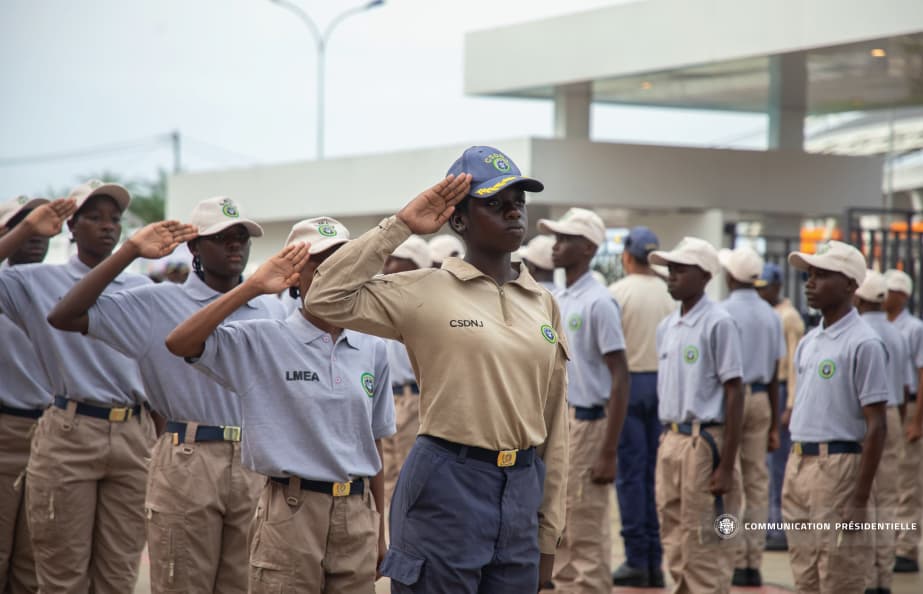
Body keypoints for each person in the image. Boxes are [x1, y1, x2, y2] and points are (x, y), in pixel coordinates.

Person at [306, 146, 569, 593]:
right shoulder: (422, 290)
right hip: (449, 481)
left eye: (518, 201)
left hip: (522, 486)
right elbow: (324, 296)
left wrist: (548, 535)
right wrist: (402, 225)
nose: (512, 211)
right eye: (494, 202)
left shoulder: (542, 302)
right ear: (459, 219)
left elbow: (554, 423)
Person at [47, 196, 287, 593]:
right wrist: (129, 251)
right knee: (182, 581)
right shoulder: (158, 302)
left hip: (254, 459)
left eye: (241, 237)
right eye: (221, 237)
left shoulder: (269, 307)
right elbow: (64, 315)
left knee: (245, 584)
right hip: (188, 455)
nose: (235, 245)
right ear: (193, 247)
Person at [165, 217, 394, 593]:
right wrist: (253, 286)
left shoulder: (373, 347)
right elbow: (180, 343)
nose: (334, 273)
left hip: (356, 514)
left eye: (343, 261)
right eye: (320, 263)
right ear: (294, 275)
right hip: (291, 510)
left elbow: (376, 443)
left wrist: (380, 532)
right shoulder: (263, 339)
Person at [0, 181, 154, 594]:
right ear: (71, 225)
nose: (108, 227)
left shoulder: (141, 289)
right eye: (94, 217)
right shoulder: (35, 280)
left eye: (115, 220)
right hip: (71, 429)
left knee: (118, 575)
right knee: (61, 573)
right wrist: (27, 227)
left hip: (133, 434)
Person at [783, 241, 888, 593]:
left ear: (849, 285)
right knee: (805, 573)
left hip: (839, 466)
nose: (810, 283)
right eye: (809, 275)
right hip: (800, 463)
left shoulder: (863, 343)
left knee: (839, 573)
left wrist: (859, 499)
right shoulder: (810, 341)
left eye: (822, 275)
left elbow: (876, 424)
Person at [538, 208, 629, 593]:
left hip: (590, 423)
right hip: (559, 421)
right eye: (555, 238)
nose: (555, 246)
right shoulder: (557, 298)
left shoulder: (599, 301)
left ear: (589, 247)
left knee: (586, 528)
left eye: (565, 239)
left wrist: (608, 450)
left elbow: (620, 374)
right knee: (558, 525)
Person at [648, 236, 744, 594]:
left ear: (704, 276)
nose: (670, 276)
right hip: (671, 438)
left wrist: (726, 464)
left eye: (679, 270)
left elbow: (735, 392)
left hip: (704, 442)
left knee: (705, 540)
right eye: (669, 269)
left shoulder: (719, 322)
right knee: (673, 537)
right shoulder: (667, 326)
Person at [608, 225, 674, 588]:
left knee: (631, 475)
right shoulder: (671, 292)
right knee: (655, 476)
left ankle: (636, 558)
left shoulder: (617, 293)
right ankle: (655, 559)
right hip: (662, 386)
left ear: (627, 256)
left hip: (629, 386)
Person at [717, 246, 784, 588]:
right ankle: (751, 561)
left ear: (730, 277)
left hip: (730, 399)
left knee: (730, 479)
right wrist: (773, 423)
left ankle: (730, 556)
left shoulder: (721, 312)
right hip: (760, 398)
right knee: (758, 481)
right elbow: (774, 373)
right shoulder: (771, 314)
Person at [0, 195, 52, 593]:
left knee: (35, 559)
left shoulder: (58, 286)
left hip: (55, 434)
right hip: (5, 430)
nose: (35, 230)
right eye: (23, 223)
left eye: (41, 222)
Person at [855, 269, 912, 594]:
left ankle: (865, 577)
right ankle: (883, 578)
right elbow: (905, 389)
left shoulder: (858, 333)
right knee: (888, 499)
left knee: (862, 497)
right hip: (890, 414)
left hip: (863, 417)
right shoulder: (896, 334)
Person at [755, 262, 805, 552]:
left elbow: (795, 365)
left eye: (766, 288)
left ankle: (780, 526)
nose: (761, 293)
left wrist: (790, 404)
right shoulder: (769, 315)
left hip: (784, 388)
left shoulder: (789, 318)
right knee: (766, 466)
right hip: (772, 387)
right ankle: (770, 523)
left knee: (779, 466)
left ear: (777, 287)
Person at [380, 235, 431, 508]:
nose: (387, 264)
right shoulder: (386, 302)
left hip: (415, 398)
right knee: (388, 476)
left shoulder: (428, 305)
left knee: (412, 480)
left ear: (416, 264)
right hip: (389, 398)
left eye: (397, 258)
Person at [884, 268, 923, 573]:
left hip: (909, 405)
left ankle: (906, 546)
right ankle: (887, 541)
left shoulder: (914, 329)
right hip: (888, 405)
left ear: (904, 296)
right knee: (889, 479)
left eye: (891, 291)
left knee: (908, 480)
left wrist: (917, 421)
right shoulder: (880, 325)